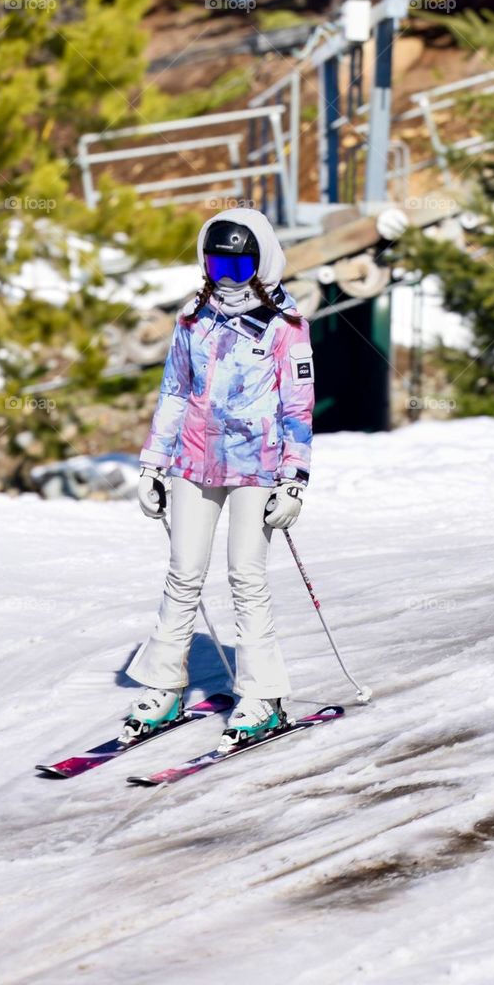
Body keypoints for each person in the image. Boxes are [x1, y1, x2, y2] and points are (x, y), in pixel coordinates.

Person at [124, 207, 315, 751]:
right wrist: (151, 464)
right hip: (194, 461)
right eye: (218, 266)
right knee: (183, 574)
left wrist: (294, 479)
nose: (228, 280)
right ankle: (165, 686)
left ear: (263, 263)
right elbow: (175, 393)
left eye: (240, 268)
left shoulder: (286, 326)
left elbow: (297, 408)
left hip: (258, 467)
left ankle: (262, 696)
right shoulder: (193, 316)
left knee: (246, 577)